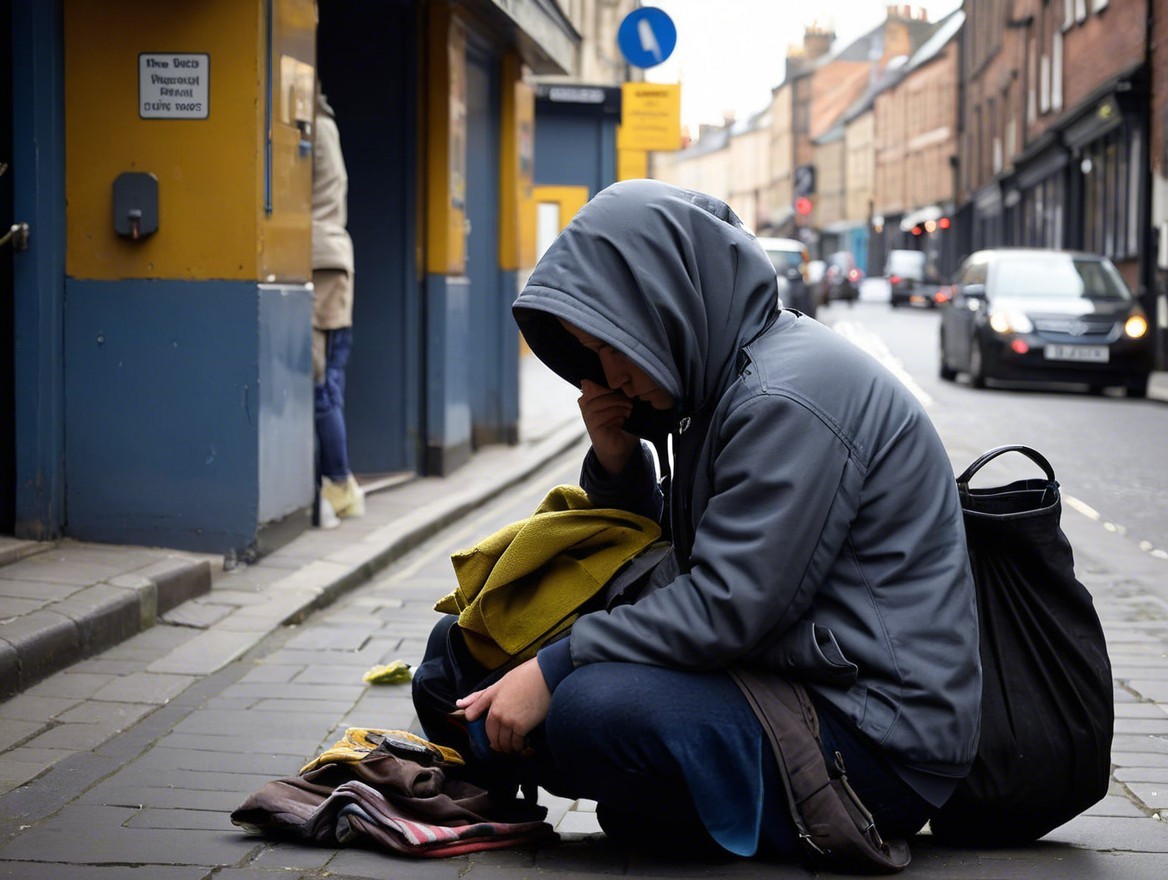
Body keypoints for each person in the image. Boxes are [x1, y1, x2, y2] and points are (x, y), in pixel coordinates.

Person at [416, 180, 981, 859]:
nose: (609, 375)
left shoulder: (785, 398)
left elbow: (726, 605)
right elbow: (665, 559)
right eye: (592, 355)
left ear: (664, 308)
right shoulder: (720, 385)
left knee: (590, 708)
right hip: (779, 677)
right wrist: (618, 459)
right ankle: (643, 803)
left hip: (874, 736)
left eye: (613, 346)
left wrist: (554, 666)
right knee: (457, 655)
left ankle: (678, 809)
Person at [312, 87, 364, 524]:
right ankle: (339, 485)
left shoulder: (310, 125)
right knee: (330, 378)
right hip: (331, 258)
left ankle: (339, 485)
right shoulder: (325, 123)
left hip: (318, 263)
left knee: (321, 383)